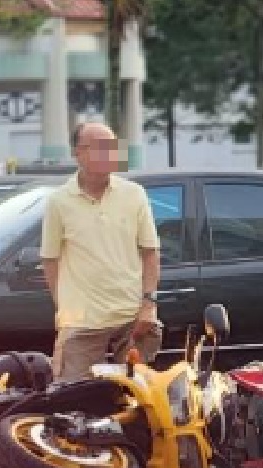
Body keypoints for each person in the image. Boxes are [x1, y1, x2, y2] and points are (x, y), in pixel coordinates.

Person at [40, 122, 163, 381]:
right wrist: (64, 308)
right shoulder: (59, 202)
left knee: (136, 397)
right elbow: (50, 260)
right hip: (82, 324)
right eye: (100, 147)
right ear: (78, 153)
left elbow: (150, 253)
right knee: (73, 399)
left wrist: (148, 306)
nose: (109, 153)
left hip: (132, 318)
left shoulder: (134, 194)